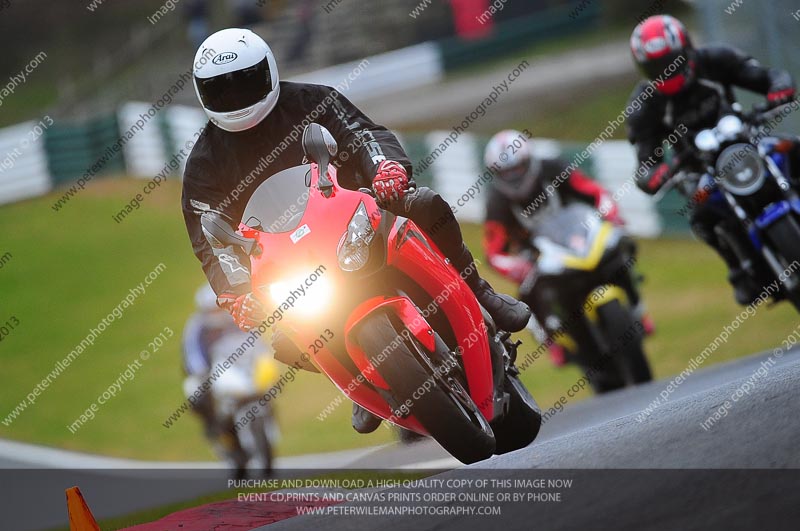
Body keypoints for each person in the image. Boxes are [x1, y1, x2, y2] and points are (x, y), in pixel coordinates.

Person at [181, 28, 531, 434]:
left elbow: (363, 134)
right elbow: (209, 237)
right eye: (221, 90)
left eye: (244, 82)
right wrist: (235, 292)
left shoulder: (311, 100)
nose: (235, 98)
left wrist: (386, 168)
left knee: (424, 204)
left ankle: (480, 292)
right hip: (293, 260)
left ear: (268, 72)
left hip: (362, 214)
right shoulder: (204, 164)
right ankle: (363, 381)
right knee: (286, 341)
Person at [627, 14, 797, 304]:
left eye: (671, 62)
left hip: (747, 141)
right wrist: (655, 173)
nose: (666, 71)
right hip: (698, 169)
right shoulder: (644, 104)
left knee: (793, 147)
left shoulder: (716, 59)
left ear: (686, 49)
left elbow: (765, 76)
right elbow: (645, 159)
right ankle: (741, 271)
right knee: (701, 216)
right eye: (656, 67)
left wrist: (779, 87)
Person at [482, 130, 653, 365]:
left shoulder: (553, 168)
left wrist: (611, 214)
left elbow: (594, 191)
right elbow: (493, 252)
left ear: (529, 161)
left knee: (621, 248)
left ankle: (638, 310)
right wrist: (517, 267)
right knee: (527, 293)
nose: (513, 176)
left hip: (579, 235)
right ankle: (552, 341)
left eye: (518, 168)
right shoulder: (496, 202)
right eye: (505, 172)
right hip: (538, 256)